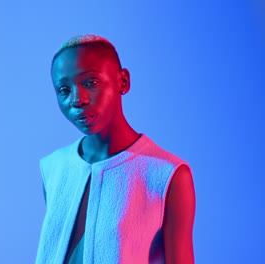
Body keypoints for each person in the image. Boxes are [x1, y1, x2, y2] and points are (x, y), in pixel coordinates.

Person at [35, 35, 196, 264]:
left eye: (90, 83)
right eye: (64, 89)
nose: (76, 99)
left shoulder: (167, 175)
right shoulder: (53, 167)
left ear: (123, 82)